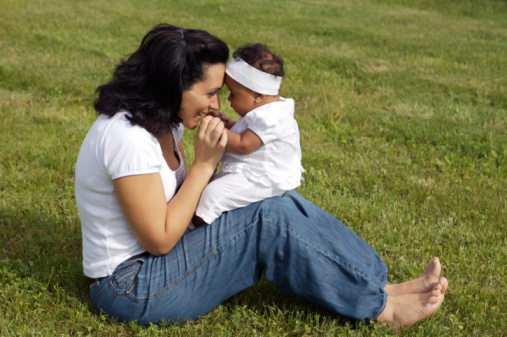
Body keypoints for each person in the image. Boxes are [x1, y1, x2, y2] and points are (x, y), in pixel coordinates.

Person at [74, 23, 448, 328]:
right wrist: (205, 166)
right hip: (131, 288)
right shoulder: (127, 139)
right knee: (267, 218)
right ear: (173, 86)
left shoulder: (166, 122)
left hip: (156, 265)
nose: (216, 105)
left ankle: (382, 285)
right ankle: (382, 309)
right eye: (209, 93)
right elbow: (158, 241)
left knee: (277, 198)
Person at [195, 43, 304, 224]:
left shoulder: (272, 116)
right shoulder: (264, 109)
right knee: (211, 185)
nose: (228, 100)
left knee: (214, 195)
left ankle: (196, 224)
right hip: (250, 171)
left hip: (263, 179)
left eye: (232, 94)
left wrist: (218, 129)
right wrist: (227, 123)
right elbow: (245, 131)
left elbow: (243, 145)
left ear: (258, 94)